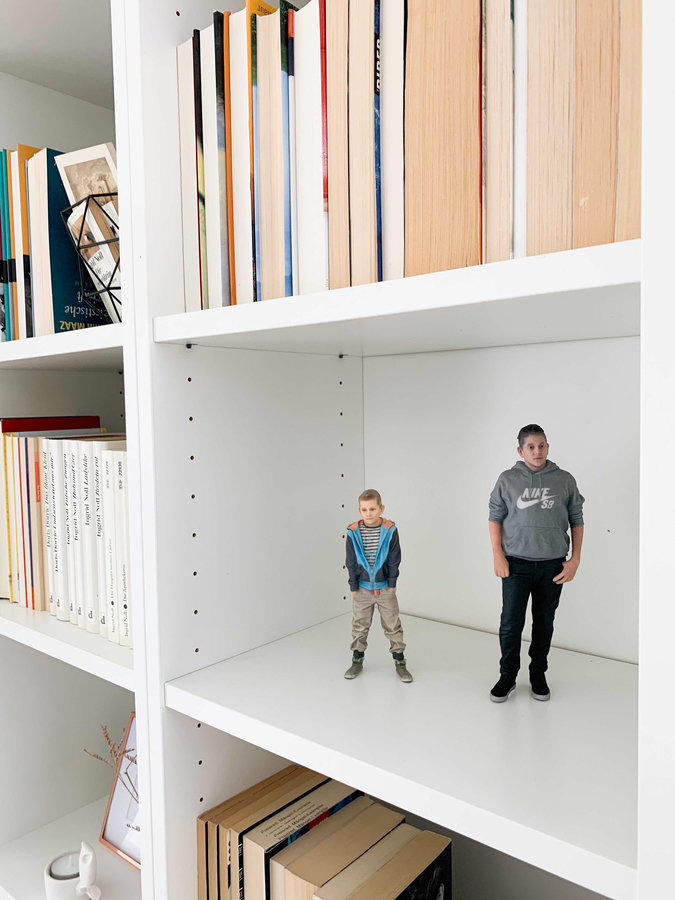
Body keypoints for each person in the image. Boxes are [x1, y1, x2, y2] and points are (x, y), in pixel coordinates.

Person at [488, 425, 584, 702]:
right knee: (510, 623)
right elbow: (495, 517)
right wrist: (497, 554)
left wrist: (575, 560)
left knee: (544, 622)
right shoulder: (507, 479)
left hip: (552, 566)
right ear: (520, 451)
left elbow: (577, 520)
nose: (537, 451)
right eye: (530, 446)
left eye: (541, 445)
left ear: (548, 447)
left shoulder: (564, 480)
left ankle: (538, 673)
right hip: (515, 564)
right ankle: (508, 675)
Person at [344, 489, 412, 682]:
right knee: (359, 625)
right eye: (364, 509)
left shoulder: (390, 530)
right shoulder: (353, 532)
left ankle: (400, 662)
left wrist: (392, 582)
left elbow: (394, 558)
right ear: (360, 510)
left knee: (393, 625)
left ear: (381, 509)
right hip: (362, 588)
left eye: (372, 509)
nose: (369, 513)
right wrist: (353, 585)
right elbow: (350, 561)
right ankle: (357, 660)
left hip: (385, 588)